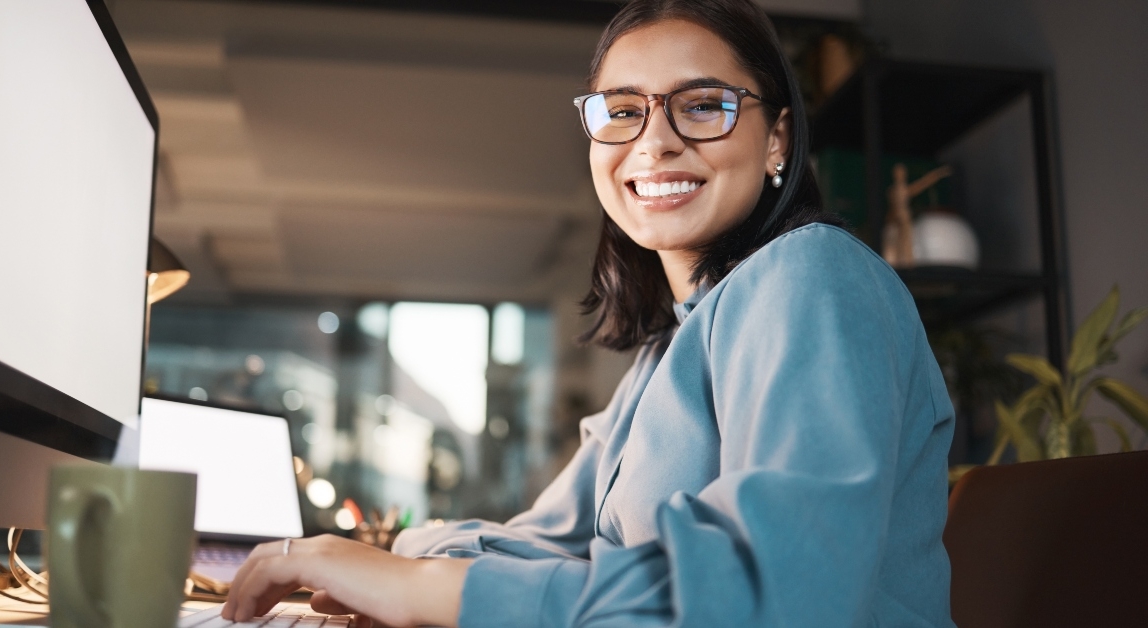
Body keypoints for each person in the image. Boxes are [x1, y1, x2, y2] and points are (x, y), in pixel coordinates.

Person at [221, 0, 956, 625]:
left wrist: (420, 586)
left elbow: (775, 599)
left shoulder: (811, 274)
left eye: (702, 105)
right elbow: (545, 543)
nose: (655, 141)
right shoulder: (670, 347)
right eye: (624, 111)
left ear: (778, 140)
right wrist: (388, 562)